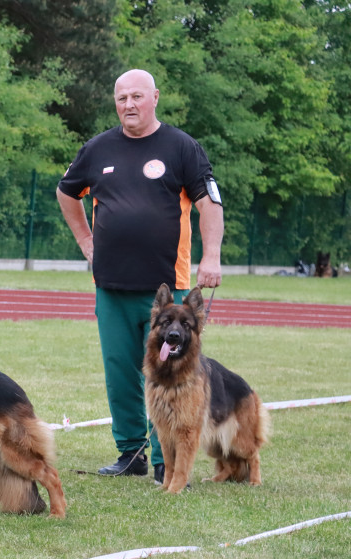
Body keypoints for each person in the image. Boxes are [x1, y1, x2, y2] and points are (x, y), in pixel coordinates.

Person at [56, 69, 224, 484]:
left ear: (155, 98)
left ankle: (168, 457)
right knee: (119, 371)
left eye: (136, 96)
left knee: (173, 372)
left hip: (168, 290)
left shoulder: (182, 147)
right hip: (110, 285)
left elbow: (210, 204)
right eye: (121, 98)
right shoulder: (97, 149)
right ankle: (132, 453)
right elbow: (66, 192)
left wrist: (213, 256)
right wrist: (86, 242)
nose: (128, 104)